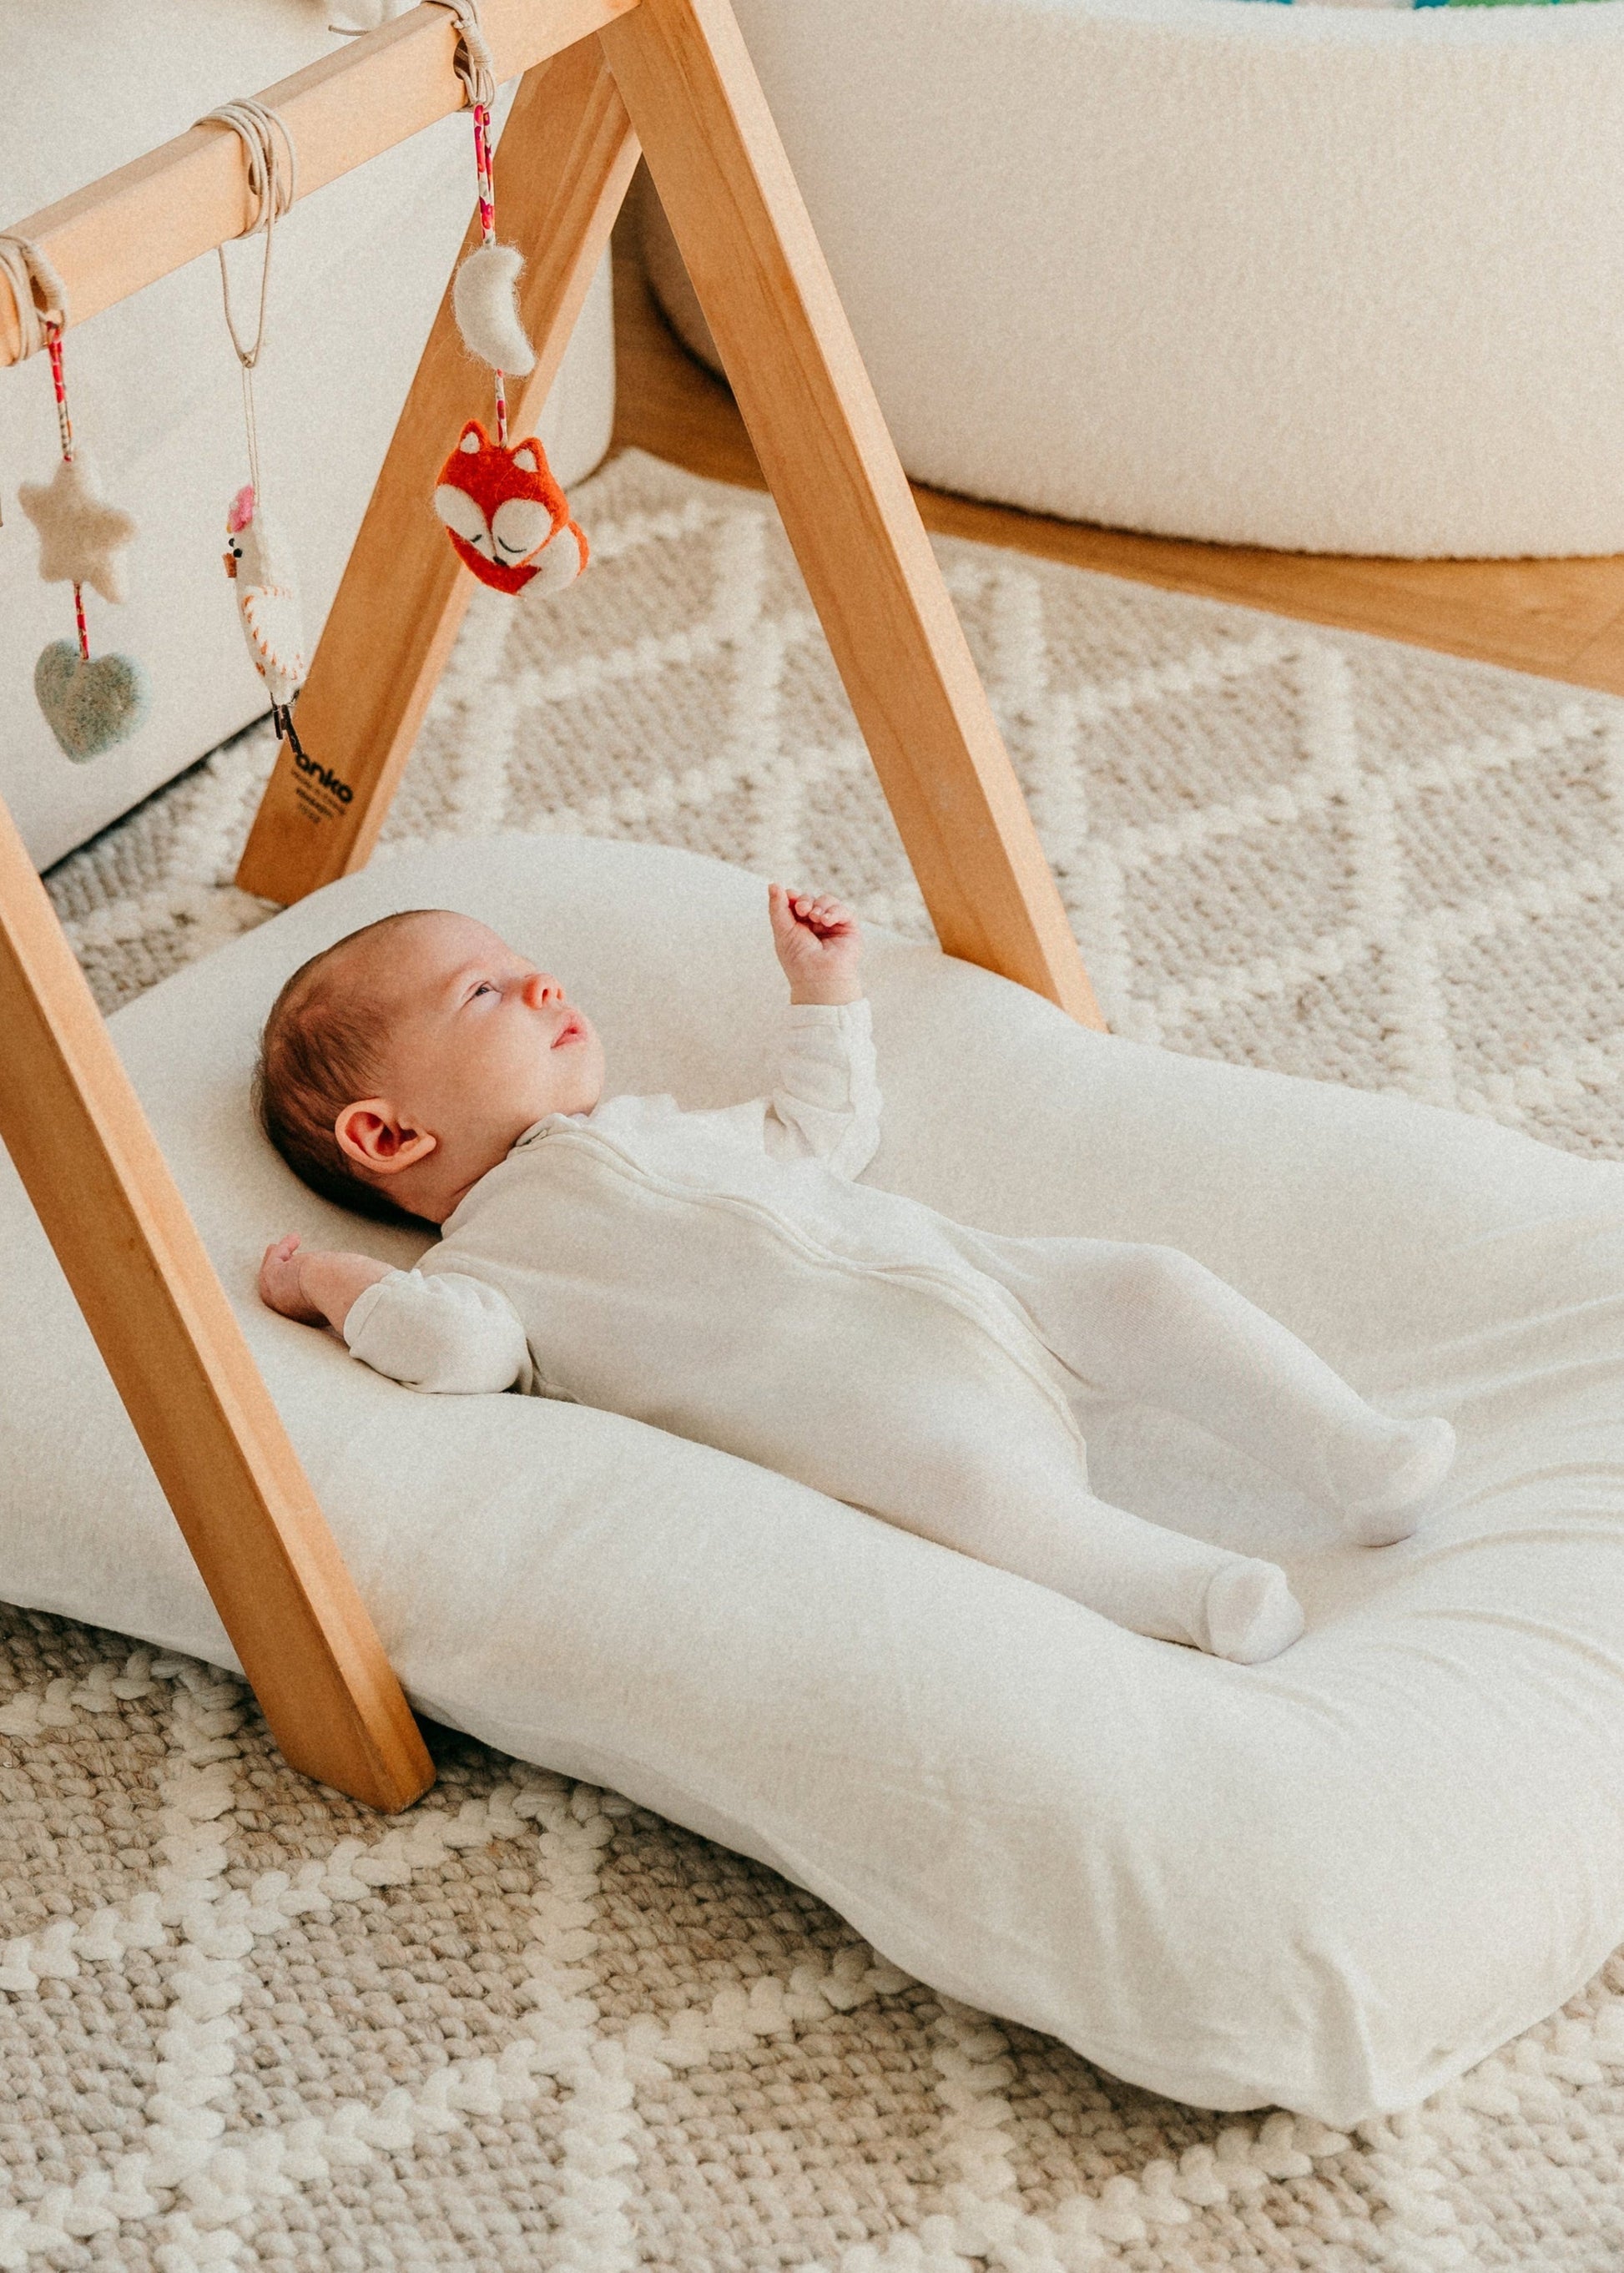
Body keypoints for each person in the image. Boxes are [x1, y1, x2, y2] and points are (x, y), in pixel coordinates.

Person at [255, 886, 1455, 1665]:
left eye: (528, 965)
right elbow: (450, 1352)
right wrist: (334, 1287)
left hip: (982, 1286)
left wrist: (823, 993)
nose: (545, 987)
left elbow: (818, 1133)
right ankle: (1197, 1594)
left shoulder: (658, 1126)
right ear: (386, 1137)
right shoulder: (489, 1269)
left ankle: (1353, 1451)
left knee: (1149, 1285)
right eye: (485, 994)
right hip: (885, 1413)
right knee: (988, 1503)